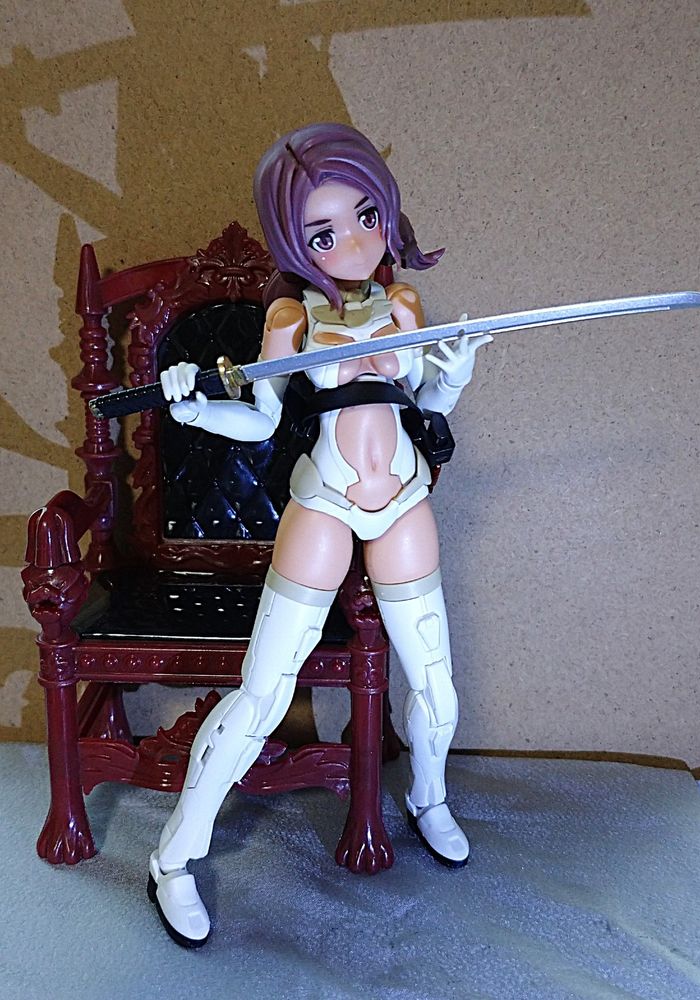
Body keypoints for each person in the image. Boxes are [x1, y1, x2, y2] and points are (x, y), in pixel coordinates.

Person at [147, 122, 490, 947]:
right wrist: (194, 409)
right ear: (292, 242)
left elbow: (425, 407)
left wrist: (453, 377)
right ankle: (174, 856)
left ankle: (429, 799)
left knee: (436, 689)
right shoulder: (290, 315)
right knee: (260, 696)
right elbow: (260, 420)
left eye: (366, 216)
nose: (354, 243)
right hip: (326, 501)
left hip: (401, 496)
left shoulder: (403, 304)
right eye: (323, 233)